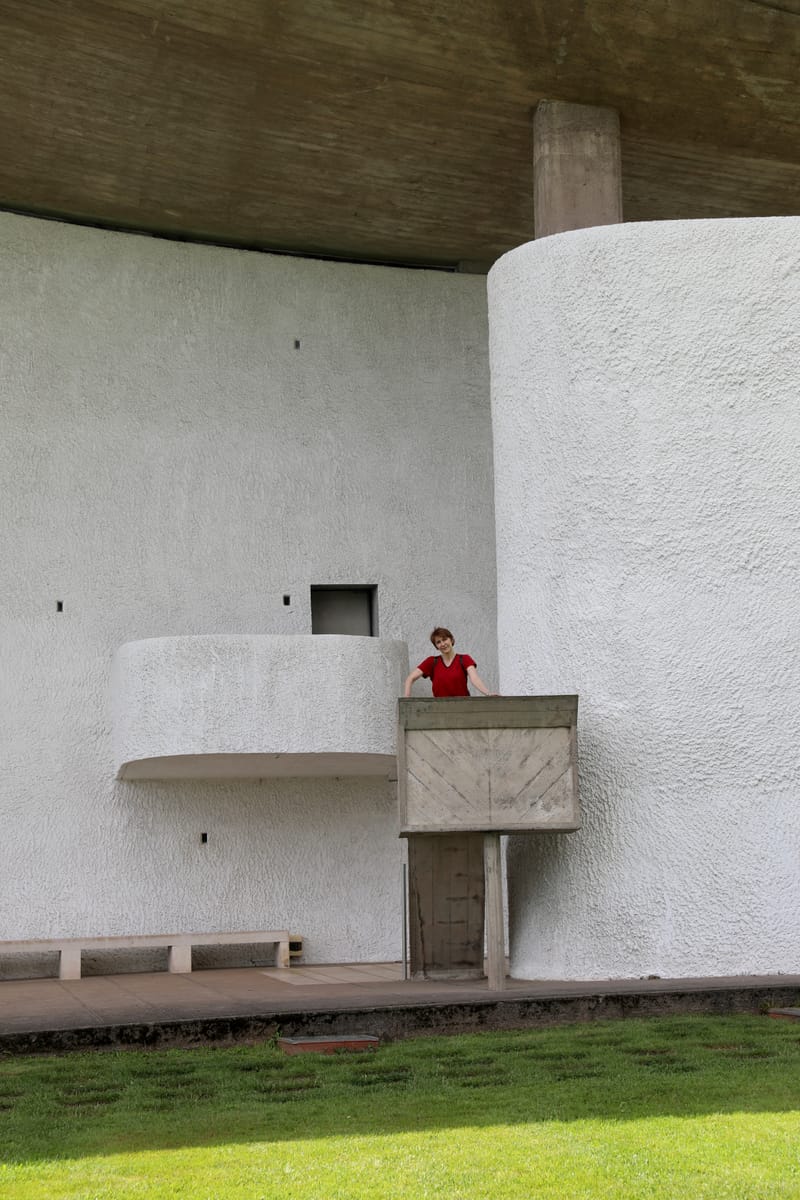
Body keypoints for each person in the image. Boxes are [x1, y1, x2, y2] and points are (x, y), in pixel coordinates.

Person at [403, 627, 497, 698]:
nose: (443, 644)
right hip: (440, 711)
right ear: (436, 646)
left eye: (444, 639)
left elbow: (475, 679)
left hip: (463, 708)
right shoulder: (432, 662)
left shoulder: (464, 659)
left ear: (451, 640)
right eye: (438, 642)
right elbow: (410, 678)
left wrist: (488, 693)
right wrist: (406, 698)